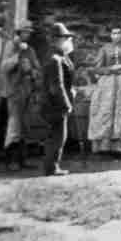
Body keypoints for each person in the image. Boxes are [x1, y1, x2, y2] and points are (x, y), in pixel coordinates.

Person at [88, 25, 121, 156]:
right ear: (110, 35)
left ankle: (120, 148)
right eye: (114, 33)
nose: (116, 35)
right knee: (105, 111)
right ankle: (103, 146)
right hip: (107, 83)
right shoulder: (105, 48)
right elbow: (97, 68)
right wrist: (110, 70)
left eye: (119, 33)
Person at [0, 20, 40, 170]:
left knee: (25, 127)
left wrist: (32, 71)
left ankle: (23, 160)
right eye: (25, 32)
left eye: (29, 32)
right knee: (14, 126)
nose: (27, 35)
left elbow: (38, 70)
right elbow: (4, 67)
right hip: (13, 92)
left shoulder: (30, 50)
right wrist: (17, 56)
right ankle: (12, 161)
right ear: (19, 33)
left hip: (27, 91)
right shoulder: (11, 46)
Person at [40, 22, 76, 176]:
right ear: (57, 40)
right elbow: (56, 87)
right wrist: (66, 104)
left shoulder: (61, 57)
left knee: (57, 136)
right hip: (54, 105)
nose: (68, 41)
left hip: (54, 104)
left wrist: (71, 92)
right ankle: (52, 168)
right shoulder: (55, 59)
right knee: (58, 137)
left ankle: (52, 166)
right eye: (65, 38)